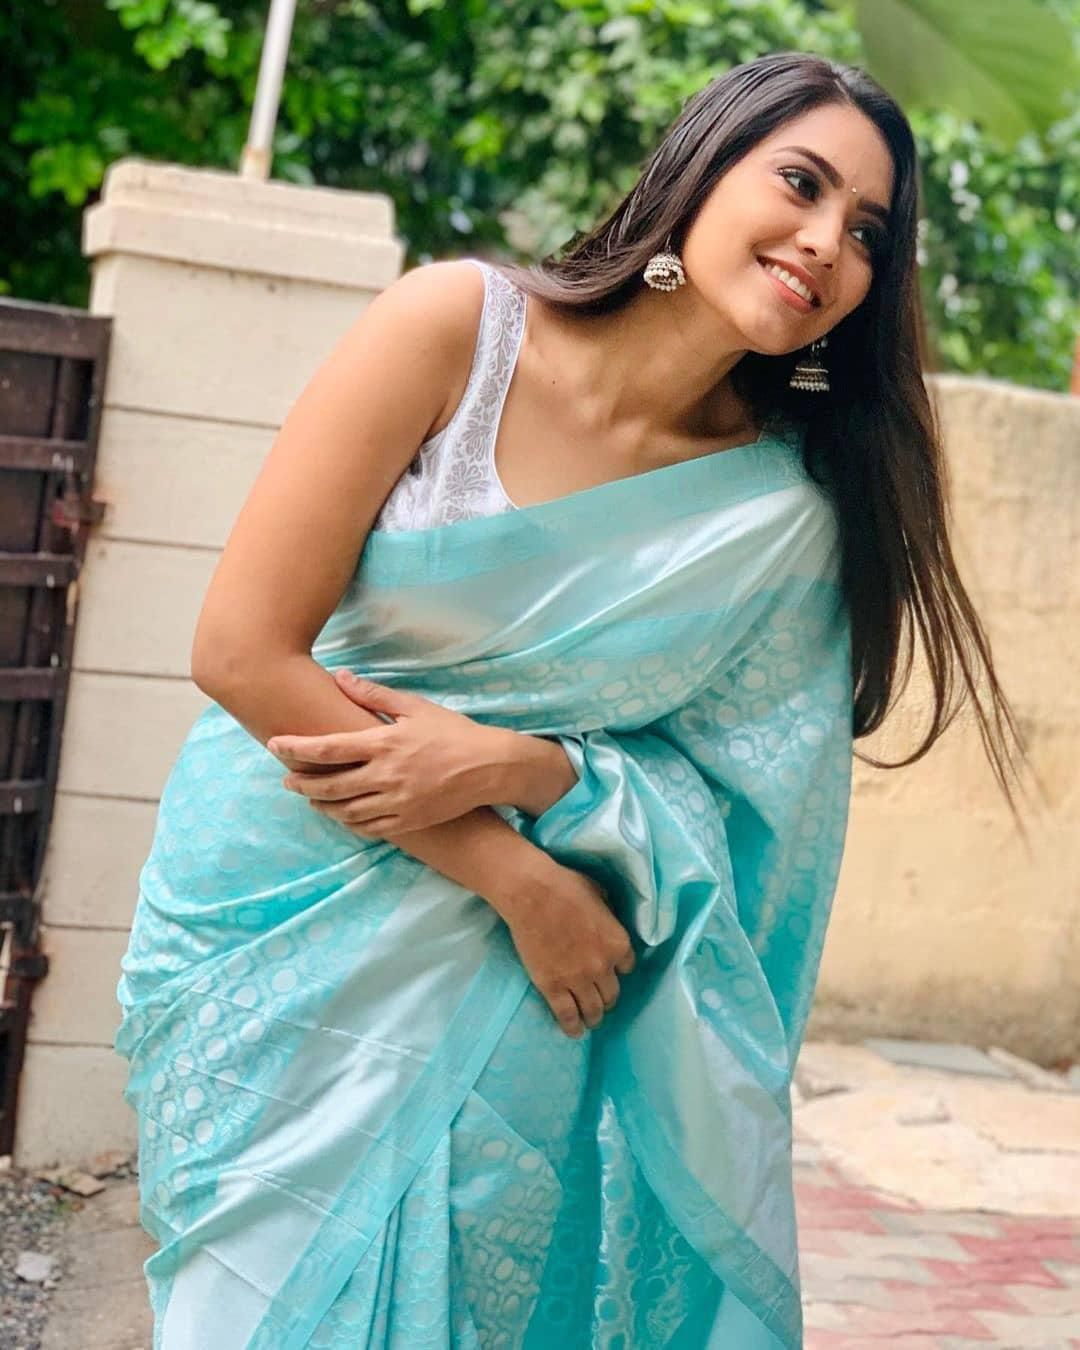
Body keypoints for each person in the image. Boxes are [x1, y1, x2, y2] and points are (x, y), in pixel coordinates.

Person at [115, 50, 1025, 1349]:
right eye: (802, 183)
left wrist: (528, 769)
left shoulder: (781, 517)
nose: (828, 240)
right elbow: (243, 650)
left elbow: (755, 812)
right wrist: (512, 875)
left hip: (522, 999)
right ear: (701, 168)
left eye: (869, 232)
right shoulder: (457, 329)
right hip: (285, 915)